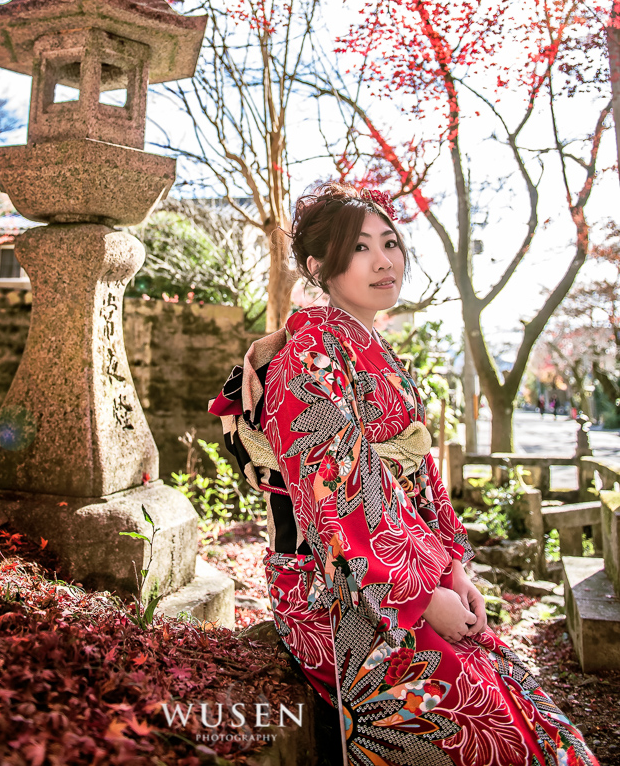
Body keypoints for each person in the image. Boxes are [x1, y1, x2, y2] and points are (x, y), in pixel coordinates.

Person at [209, 182, 598, 766]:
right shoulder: (306, 360)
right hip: (335, 588)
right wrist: (419, 595)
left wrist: (453, 569)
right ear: (317, 267)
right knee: (492, 731)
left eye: (389, 243)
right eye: (360, 248)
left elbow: (420, 479)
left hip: (404, 566)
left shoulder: (382, 356)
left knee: (531, 713)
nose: (384, 260)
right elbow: (337, 492)